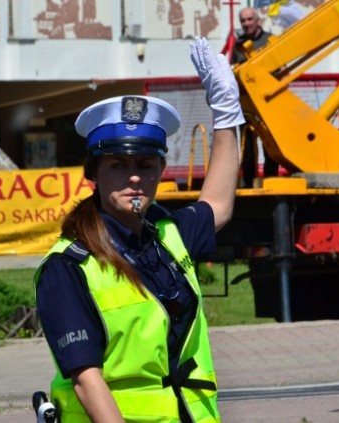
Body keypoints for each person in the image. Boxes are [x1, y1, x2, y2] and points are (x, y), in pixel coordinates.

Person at [35, 37, 243, 422]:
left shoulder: (167, 233)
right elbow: (85, 378)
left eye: (146, 165)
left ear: (162, 172)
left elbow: (218, 205)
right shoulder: (68, 266)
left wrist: (227, 115)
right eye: (118, 164)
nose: (134, 177)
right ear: (94, 174)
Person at [230, 7, 278, 187]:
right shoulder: (239, 44)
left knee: (271, 148)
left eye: (249, 19)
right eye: (243, 21)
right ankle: (249, 184)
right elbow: (233, 71)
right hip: (247, 106)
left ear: (258, 20)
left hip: (267, 104)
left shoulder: (269, 41)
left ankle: (270, 182)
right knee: (248, 149)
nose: (246, 24)